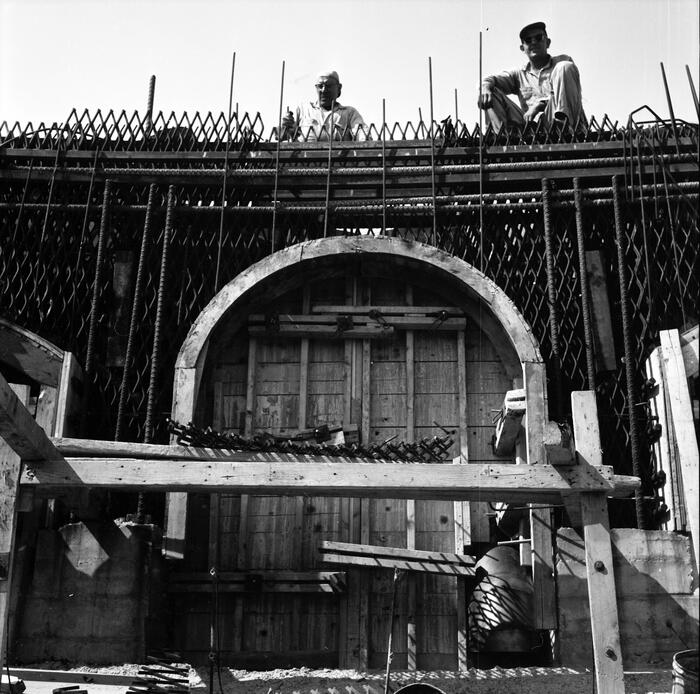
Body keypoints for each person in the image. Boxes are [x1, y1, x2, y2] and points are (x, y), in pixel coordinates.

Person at [478, 22, 585, 131]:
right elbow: (490, 80)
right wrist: (485, 88)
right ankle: (500, 138)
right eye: (528, 40)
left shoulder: (562, 62)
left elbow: (564, 96)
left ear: (547, 43)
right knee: (492, 91)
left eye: (538, 38)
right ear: (522, 48)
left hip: (558, 121)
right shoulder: (518, 74)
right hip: (530, 128)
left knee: (565, 67)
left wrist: (539, 105)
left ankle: (564, 127)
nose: (533, 42)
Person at [282, 70, 367, 141]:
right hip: (305, 159)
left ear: (339, 88)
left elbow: (363, 135)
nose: (324, 90)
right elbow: (281, 135)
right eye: (320, 86)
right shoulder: (303, 110)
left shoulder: (349, 113)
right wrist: (286, 126)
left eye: (328, 86)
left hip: (338, 159)